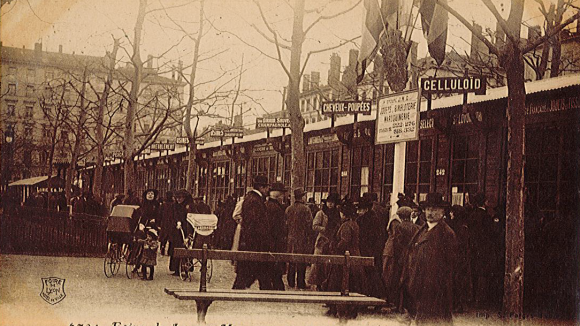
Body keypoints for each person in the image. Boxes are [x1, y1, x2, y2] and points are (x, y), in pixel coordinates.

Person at [401, 193, 457, 325]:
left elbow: (451, 268)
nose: (430, 213)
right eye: (428, 209)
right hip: (418, 291)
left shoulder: (446, 234)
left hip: (436, 294)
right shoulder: (422, 230)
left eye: (435, 209)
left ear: (443, 212)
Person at [232, 175, 272, 290]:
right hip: (254, 245)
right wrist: (263, 241)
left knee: (253, 275)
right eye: (266, 187)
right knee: (249, 275)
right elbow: (255, 224)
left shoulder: (251, 198)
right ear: (261, 187)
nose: (268, 190)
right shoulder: (255, 201)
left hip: (251, 244)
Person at [382, 206, 420, 308]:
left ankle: (397, 303)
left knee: (396, 278)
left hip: (400, 256)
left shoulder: (399, 227)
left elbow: (397, 243)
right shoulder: (416, 227)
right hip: (412, 256)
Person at [308, 193, 341, 290]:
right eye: (329, 202)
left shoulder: (337, 213)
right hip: (322, 240)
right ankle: (317, 283)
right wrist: (325, 229)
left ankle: (327, 283)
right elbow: (314, 226)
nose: (330, 204)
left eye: (332, 203)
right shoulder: (321, 213)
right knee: (318, 262)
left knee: (329, 263)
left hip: (332, 240)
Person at [356, 196, 386, 299]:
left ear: (366, 209)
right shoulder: (373, 218)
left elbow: (368, 237)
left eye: (360, 209)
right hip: (373, 249)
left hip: (368, 250)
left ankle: (377, 296)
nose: (359, 212)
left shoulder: (366, 220)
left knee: (370, 274)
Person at [285, 188, 314, 289]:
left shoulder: (289, 209)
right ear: (302, 197)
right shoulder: (306, 209)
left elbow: (285, 224)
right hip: (302, 239)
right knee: (301, 261)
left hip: (290, 239)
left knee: (292, 261)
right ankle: (301, 283)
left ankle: (291, 281)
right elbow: (309, 225)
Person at [265, 182, 288, 290]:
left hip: (272, 243)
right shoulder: (275, 208)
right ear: (277, 194)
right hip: (275, 243)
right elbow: (276, 228)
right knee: (275, 271)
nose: (283, 196)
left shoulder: (269, 205)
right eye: (282, 193)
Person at [168, 189, 193, 276]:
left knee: (186, 247)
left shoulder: (189, 206)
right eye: (177, 198)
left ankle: (186, 267)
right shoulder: (174, 206)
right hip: (176, 230)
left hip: (186, 228)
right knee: (176, 248)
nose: (178, 200)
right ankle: (176, 268)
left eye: (180, 198)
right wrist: (177, 222)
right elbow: (172, 216)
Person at [158, 191, 174, 256]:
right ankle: (170, 250)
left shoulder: (163, 205)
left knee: (163, 237)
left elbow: (159, 214)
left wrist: (159, 223)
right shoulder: (173, 205)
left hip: (164, 223)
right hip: (171, 223)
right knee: (171, 237)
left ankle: (162, 246)